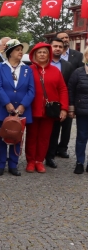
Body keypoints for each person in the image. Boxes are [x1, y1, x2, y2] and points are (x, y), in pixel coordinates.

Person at [0, 39, 34, 176]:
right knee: (2, 136)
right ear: (10, 53)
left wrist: (23, 105)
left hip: (21, 109)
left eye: (21, 49)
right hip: (3, 108)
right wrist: (7, 103)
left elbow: (31, 90)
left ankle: (13, 164)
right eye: (17, 49)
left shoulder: (27, 68)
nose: (21, 52)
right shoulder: (0, 67)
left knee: (17, 136)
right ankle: (0, 164)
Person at [27, 42, 68, 174]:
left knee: (45, 137)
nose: (42, 54)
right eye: (39, 52)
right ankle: (30, 161)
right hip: (32, 108)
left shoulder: (56, 70)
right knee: (32, 136)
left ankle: (39, 161)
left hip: (50, 110)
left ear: (49, 54)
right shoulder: (29, 70)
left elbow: (62, 89)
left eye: (45, 52)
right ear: (34, 55)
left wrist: (64, 108)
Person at [46, 37, 75, 167]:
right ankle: (35, 157)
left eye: (60, 47)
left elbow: (69, 87)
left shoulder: (68, 66)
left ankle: (50, 157)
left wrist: (67, 106)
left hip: (58, 104)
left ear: (63, 49)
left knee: (55, 132)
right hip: (42, 101)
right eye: (55, 46)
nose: (57, 48)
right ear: (50, 47)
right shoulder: (42, 62)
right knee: (40, 131)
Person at [68, 48, 88, 174]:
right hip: (82, 110)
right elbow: (71, 89)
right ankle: (80, 162)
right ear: (86, 55)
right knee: (81, 137)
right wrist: (71, 108)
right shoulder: (78, 72)